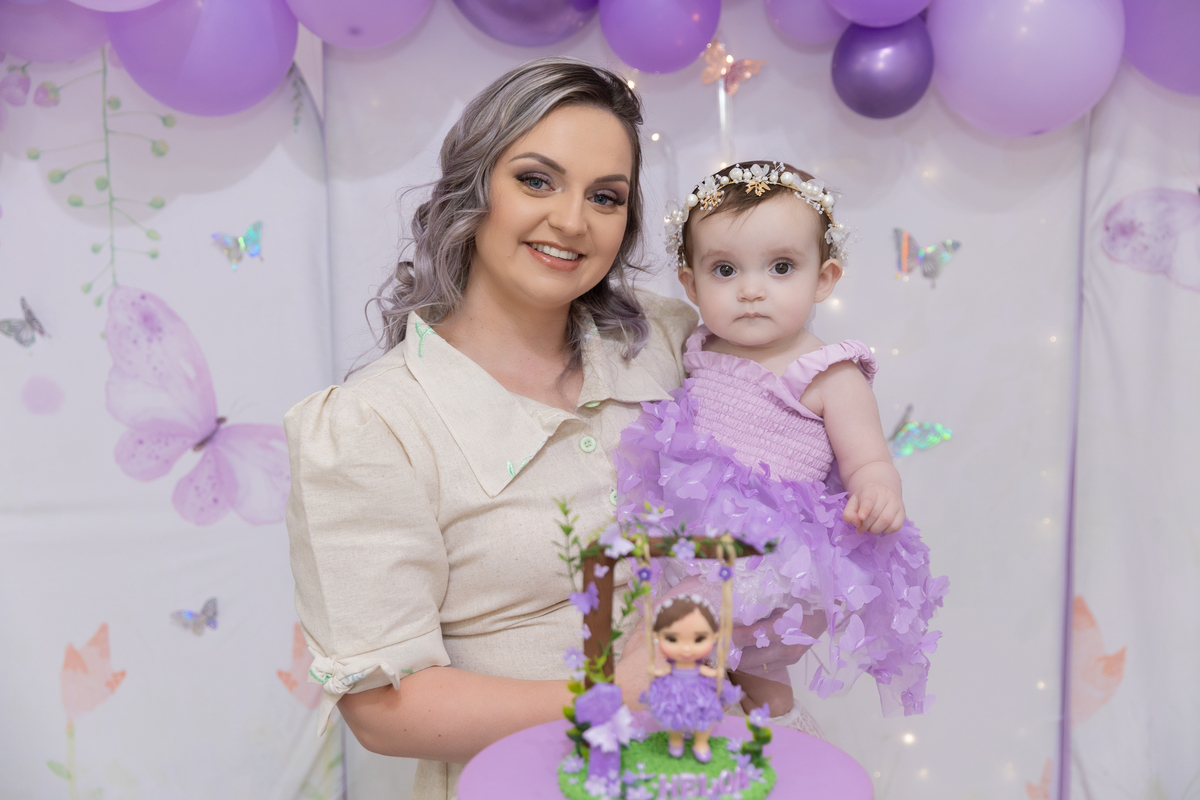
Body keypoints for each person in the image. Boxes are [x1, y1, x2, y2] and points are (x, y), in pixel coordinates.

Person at [284, 60, 809, 800]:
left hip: (713, 768)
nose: (571, 221)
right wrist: (619, 693)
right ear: (473, 191)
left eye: (605, 196)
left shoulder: (670, 341)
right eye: (536, 180)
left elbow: (792, 443)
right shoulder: (370, 425)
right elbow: (382, 713)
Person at [615, 161, 947, 723]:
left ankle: (640, 715)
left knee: (671, 627)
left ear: (824, 278)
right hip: (696, 541)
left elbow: (867, 458)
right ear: (691, 285)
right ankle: (779, 736)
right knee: (756, 679)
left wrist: (878, 491)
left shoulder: (828, 373)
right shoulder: (698, 346)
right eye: (725, 270)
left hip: (772, 551)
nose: (751, 290)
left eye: (781, 267)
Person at [641, 595, 728, 762]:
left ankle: (701, 743)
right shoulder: (673, 665)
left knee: (703, 719)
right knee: (674, 719)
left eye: (699, 639)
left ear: (714, 637)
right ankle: (675, 741)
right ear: (658, 636)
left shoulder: (698, 665)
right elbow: (666, 670)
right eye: (672, 639)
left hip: (698, 693)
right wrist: (656, 672)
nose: (686, 648)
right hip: (675, 693)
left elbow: (703, 670)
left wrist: (715, 673)